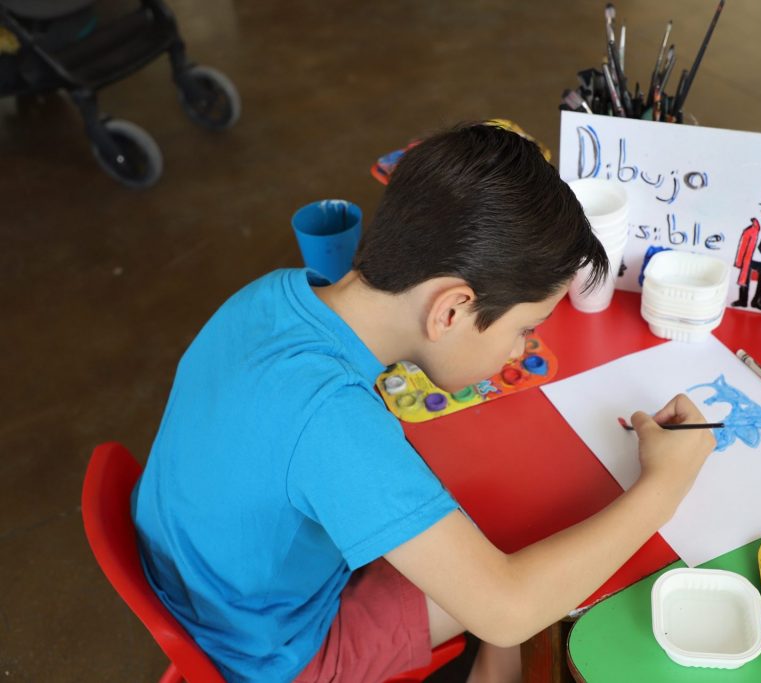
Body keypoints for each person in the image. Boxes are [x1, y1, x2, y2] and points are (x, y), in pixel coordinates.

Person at [131, 122, 716, 683]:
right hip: (274, 653)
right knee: (524, 544)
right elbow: (508, 609)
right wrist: (665, 486)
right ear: (451, 310)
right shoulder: (332, 422)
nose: (522, 349)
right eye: (525, 328)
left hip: (205, 585)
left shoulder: (273, 294)